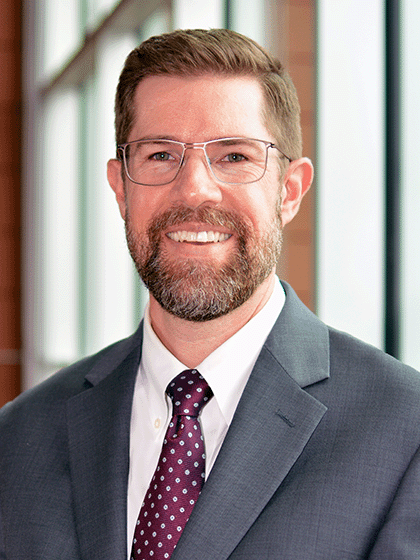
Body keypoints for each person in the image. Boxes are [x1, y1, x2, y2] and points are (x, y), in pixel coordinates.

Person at [1, 28, 420, 560]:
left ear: (288, 190)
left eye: (235, 156)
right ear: (119, 186)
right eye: (159, 155)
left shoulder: (406, 433)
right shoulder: (18, 440)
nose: (195, 188)